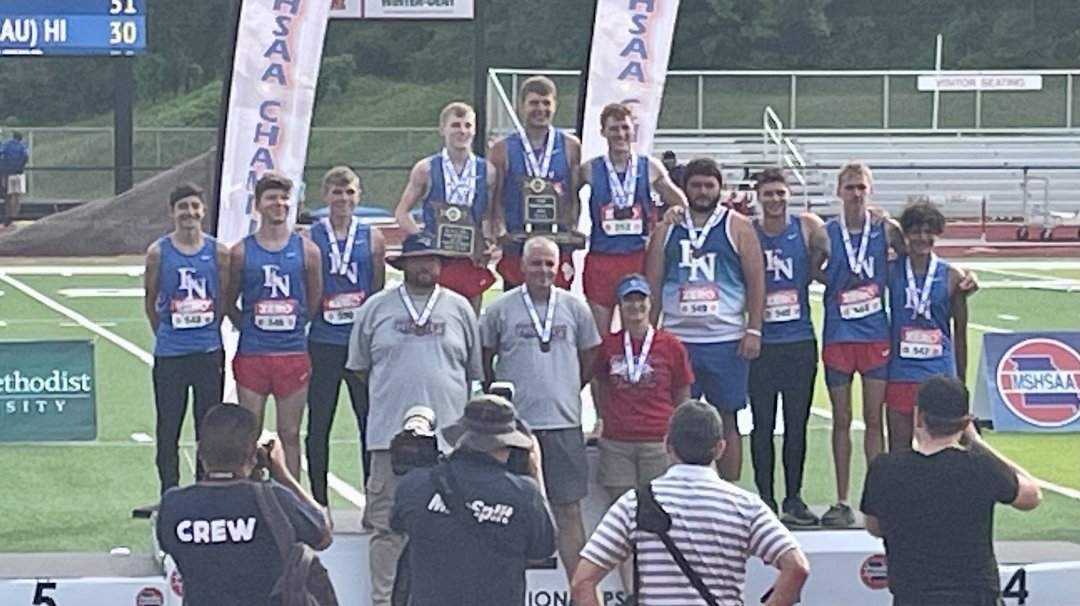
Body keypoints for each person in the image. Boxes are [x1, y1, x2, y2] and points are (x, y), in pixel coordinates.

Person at [346, 231, 483, 606]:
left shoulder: (460, 309)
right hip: (390, 439)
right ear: (403, 264)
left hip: (449, 443)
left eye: (433, 259)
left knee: (452, 524)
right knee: (388, 528)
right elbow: (359, 368)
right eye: (419, 259)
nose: (427, 265)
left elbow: (472, 371)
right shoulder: (375, 308)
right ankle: (383, 600)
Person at [571, 400, 811, 606]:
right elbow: (797, 568)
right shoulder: (746, 506)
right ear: (720, 448)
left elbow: (583, 581)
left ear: (667, 445)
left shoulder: (633, 504)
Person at [480, 235, 602, 582]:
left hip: (564, 423)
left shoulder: (575, 307)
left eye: (550, 263)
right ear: (521, 267)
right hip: (516, 429)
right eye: (536, 263)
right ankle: (507, 591)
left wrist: (566, 385)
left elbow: (590, 354)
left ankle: (579, 591)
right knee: (511, 509)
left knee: (568, 510)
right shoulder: (501, 308)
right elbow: (485, 356)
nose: (543, 270)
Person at [861, 375, 1042, 606]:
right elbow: (1032, 495)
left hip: (913, 596)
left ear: (919, 417)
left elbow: (875, 527)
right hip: (974, 596)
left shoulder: (885, 468)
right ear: (966, 422)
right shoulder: (980, 467)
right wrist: (978, 443)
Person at [645, 157, 766, 481]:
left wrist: (754, 329)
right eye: (696, 185)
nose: (702, 192)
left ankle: (729, 492)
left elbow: (756, 280)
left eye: (709, 185)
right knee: (677, 421)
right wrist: (649, 337)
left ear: (720, 189)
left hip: (725, 340)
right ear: (685, 188)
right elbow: (653, 283)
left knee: (727, 419)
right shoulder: (667, 228)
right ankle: (679, 491)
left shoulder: (738, 226)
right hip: (677, 339)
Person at [157, 403, 332, 606]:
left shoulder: (174, 505)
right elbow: (324, 535)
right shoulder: (274, 499)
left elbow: (170, 545)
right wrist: (284, 476)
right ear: (253, 456)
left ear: (200, 451)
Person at [391, 394, 557, 606]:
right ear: (510, 443)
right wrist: (536, 474)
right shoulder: (523, 493)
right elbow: (542, 550)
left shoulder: (415, 484)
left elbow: (397, 524)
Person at [818, 162, 905, 527]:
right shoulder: (825, 234)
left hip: (874, 338)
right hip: (839, 337)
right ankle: (841, 500)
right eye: (850, 187)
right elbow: (810, 269)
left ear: (870, 191)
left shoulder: (886, 230)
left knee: (874, 421)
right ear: (839, 191)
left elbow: (912, 258)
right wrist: (836, 283)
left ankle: (878, 499)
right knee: (841, 420)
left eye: (862, 187)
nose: (856, 193)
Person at [225, 172, 322, 480]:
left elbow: (313, 300)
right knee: (249, 434)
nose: (278, 203)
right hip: (253, 353)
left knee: (290, 433)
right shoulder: (240, 252)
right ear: (258, 205)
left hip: (292, 354)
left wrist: (290, 324)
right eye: (271, 198)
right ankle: (248, 494)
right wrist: (251, 325)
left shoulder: (307, 251)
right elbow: (229, 301)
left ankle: (291, 497)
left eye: (284, 198)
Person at [747, 168, 829, 524]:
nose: (775, 200)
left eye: (780, 193)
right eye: (768, 194)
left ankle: (793, 497)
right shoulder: (747, 231)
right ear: (758, 197)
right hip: (761, 343)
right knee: (762, 424)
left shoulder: (806, 226)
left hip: (798, 340)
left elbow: (835, 247)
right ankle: (765, 498)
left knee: (797, 424)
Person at [306, 166, 386, 506]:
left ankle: (373, 496)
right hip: (323, 340)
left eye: (349, 192)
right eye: (337, 192)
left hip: (360, 345)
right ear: (326, 196)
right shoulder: (311, 236)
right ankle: (318, 500)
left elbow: (377, 287)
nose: (343, 199)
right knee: (319, 420)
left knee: (368, 422)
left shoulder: (373, 237)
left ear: (359, 195)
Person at [143, 182, 229, 493]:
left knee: (207, 426)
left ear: (204, 211)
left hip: (207, 352)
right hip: (171, 353)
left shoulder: (218, 252)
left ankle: (205, 488)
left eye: (194, 207)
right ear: (172, 212)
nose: (189, 213)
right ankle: (170, 490)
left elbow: (223, 298)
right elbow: (151, 300)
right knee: (168, 427)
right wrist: (167, 332)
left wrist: (205, 327)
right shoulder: (159, 252)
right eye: (183, 207)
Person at [580, 102, 686, 334]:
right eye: (614, 128)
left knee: (640, 332)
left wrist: (671, 215)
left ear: (633, 130)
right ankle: (603, 372)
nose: (620, 134)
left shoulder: (650, 167)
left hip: (638, 259)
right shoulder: (589, 169)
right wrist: (569, 222)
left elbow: (681, 203)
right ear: (603, 132)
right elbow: (566, 197)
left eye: (625, 128)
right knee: (600, 338)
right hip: (601, 259)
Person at [593, 274, 692, 503]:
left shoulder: (671, 345)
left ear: (650, 303)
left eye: (641, 299)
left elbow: (682, 391)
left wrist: (677, 432)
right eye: (629, 299)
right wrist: (603, 418)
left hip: (658, 440)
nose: (635, 305)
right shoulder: (609, 344)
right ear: (620, 304)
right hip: (617, 441)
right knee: (621, 507)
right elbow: (599, 383)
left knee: (660, 505)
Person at [394, 101, 499, 312]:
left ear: (475, 129)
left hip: (470, 258)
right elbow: (402, 213)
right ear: (443, 129)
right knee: (435, 318)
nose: (462, 131)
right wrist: (424, 240)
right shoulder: (426, 169)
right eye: (456, 125)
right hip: (437, 260)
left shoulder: (487, 171)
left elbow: (488, 216)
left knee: (470, 320)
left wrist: (488, 241)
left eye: (468, 125)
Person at [885, 198, 970, 451]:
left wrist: (960, 383)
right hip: (901, 371)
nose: (922, 237)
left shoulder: (952, 276)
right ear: (906, 235)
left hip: (939, 372)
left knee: (944, 448)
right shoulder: (890, 270)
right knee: (899, 449)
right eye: (915, 231)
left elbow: (960, 333)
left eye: (928, 231)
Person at [488, 75, 582, 290]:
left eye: (546, 102)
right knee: (516, 309)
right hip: (517, 241)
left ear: (555, 105)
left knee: (557, 308)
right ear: (522, 106)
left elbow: (574, 195)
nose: (540, 109)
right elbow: (496, 197)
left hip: (556, 241)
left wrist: (572, 227)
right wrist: (500, 229)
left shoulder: (570, 146)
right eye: (534, 103)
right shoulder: (502, 148)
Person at [0, 131, 29, 226]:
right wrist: (21, 165)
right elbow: (26, 155)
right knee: (16, 196)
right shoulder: (22, 146)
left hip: (8, 173)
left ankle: (8, 216)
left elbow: (1, 153)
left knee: (8, 196)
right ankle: (15, 216)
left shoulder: (7, 144)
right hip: (19, 173)